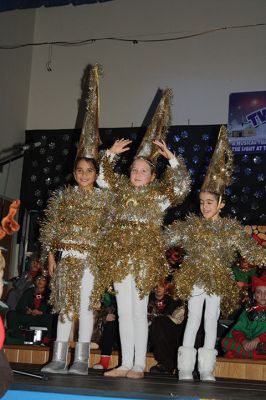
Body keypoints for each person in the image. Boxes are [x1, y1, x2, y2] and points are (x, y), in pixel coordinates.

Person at [95, 89, 191, 379]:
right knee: (123, 311)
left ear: (152, 177)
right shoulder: (120, 191)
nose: (137, 173)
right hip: (120, 255)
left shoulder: (158, 197)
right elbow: (101, 178)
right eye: (134, 169)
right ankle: (125, 363)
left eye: (143, 171)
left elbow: (181, 190)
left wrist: (173, 160)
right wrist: (110, 155)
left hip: (143, 258)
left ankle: (138, 364)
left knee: (138, 310)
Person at [166, 126, 266, 382]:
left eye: (210, 202)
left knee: (211, 321)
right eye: (201, 202)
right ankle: (186, 368)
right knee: (193, 319)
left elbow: (252, 250)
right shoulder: (191, 226)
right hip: (195, 279)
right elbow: (165, 238)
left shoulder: (230, 230)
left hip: (218, 280)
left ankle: (207, 368)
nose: (204, 207)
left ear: (221, 203)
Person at [40, 64, 111, 375]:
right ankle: (59, 357)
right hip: (67, 259)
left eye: (90, 171)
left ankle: (80, 360)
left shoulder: (103, 198)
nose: (84, 175)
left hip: (91, 260)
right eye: (80, 171)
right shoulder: (63, 196)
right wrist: (52, 257)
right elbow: (51, 229)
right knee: (63, 307)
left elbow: (108, 230)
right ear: (74, 172)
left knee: (85, 307)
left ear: (96, 174)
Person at [221, 275, 266, 359]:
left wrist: (258, 339)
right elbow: (237, 330)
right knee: (225, 342)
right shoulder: (248, 310)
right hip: (249, 345)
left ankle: (250, 355)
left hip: (263, 344)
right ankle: (254, 355)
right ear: (254, 295)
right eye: (259, 292)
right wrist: (244, 341)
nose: (263, 295)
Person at [148, 281, 186, 375]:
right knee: (157, 324)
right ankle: (165, 364)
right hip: (151, 330)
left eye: (161, 286)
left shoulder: (173, 300)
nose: (158, 289)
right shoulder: (147, 299)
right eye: (156, 286)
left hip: (169, 331)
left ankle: (170, 364)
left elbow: (177, 318)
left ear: (166, 287)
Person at [6, 274, 53, 343]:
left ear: (46, 282)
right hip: (29, 317)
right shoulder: (29, 291)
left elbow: (52, 309)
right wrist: (27, 311)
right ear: (35, 281)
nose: (40, 281)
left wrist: (41, 312)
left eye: (43, 280)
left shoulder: (50, 294)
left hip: (42, 318)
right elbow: (20, 307)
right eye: (39, 278)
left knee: (52, 317)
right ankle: (16, 337)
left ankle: (48, 338)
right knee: (11, 314)